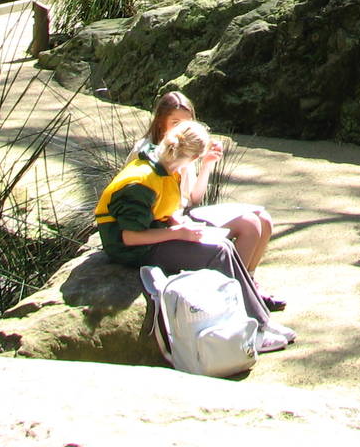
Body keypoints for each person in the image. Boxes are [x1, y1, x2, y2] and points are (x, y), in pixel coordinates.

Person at [94, 118, 295, 354]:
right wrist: (177, 233)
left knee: (224, 246)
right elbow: (130, 237)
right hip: (132, 249)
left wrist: (178, 223)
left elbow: (163, 209)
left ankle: (260, 321)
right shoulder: (141, 182)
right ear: (186, 156)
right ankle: (253, 330)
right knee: (217, 253)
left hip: (155, 232)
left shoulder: (166, 166)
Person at [142, 91, 285, 311]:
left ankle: (249, 284)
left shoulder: (183, 147)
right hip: (170, 221)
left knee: (263, 219)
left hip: (185, 214)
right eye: (176, 122)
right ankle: (237, 298)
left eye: (187, 123)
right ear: (161, 122)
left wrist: (207, 164)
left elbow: (193, 198)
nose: (182, 128)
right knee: (250, 225)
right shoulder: (151, 152)